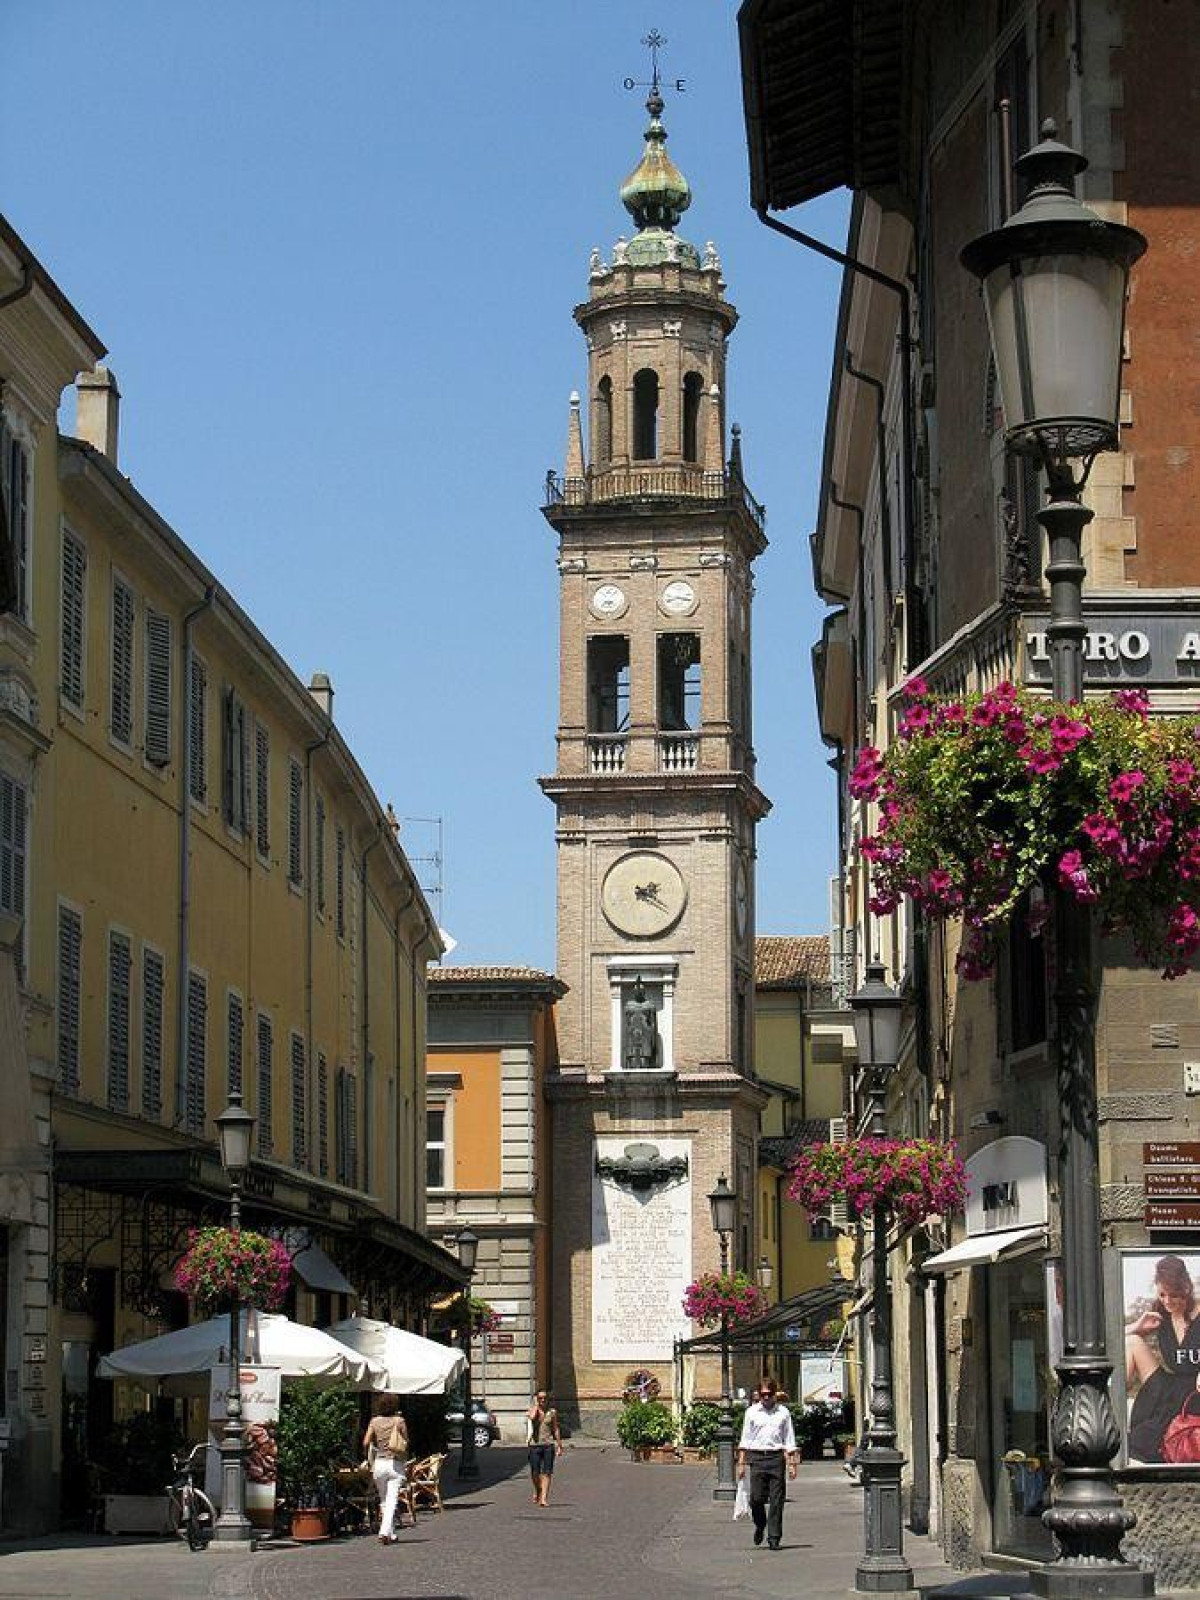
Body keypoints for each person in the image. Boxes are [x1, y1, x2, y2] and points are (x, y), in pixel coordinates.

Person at [1125, 1254, 1200, 1462]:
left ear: (1186, 1288)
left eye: (1173, 1295)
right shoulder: (1160, 1315)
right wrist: (1136, 1326)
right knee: (1131, 1341)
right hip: (1171, 1387)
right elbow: (1113, 1340)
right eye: (1162, 1294)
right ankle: (1106, 1415)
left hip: (1196, 1392)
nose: (1167, 1301)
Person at [736, 1376, 798, 1551]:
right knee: (756, 1499)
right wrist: (741, 1464)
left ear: (775, 1394)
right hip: (756, 1457)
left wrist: (792, 1464)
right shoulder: (751, 1412)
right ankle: (760, 1524)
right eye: (762, 1394)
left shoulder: (783, 1413)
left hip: (776, 1458)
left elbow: (789, 1439)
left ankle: (774, 1537)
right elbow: (745, 1439)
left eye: (769, 1394)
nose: (765, 1398)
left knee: (777, 1500)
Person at [362, 1394, 412, 1542]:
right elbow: (406, 1441)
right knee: (391, 1500)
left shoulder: (374, 1421)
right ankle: (384, 1532)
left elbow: (365, 1442)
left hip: (379, 1464)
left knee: (384, 1500)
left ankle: (391, 1533)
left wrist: (375, 1447)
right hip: (395, 1463)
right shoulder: (399, 1421)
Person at [526, 1389, 563, 1506]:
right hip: (534, 1445)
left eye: (545, 1398)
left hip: (548, 1445)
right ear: (536, 1399)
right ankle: (538, 1489)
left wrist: (559, 1445)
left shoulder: (552, 1412)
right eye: (540, 1398)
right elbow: (531, 1418)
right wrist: (536, 1408)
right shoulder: (532, 1410)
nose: (543, 1400)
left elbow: (555, 1428)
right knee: (534, 1473)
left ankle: (543, 1498)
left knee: (547, 1472)